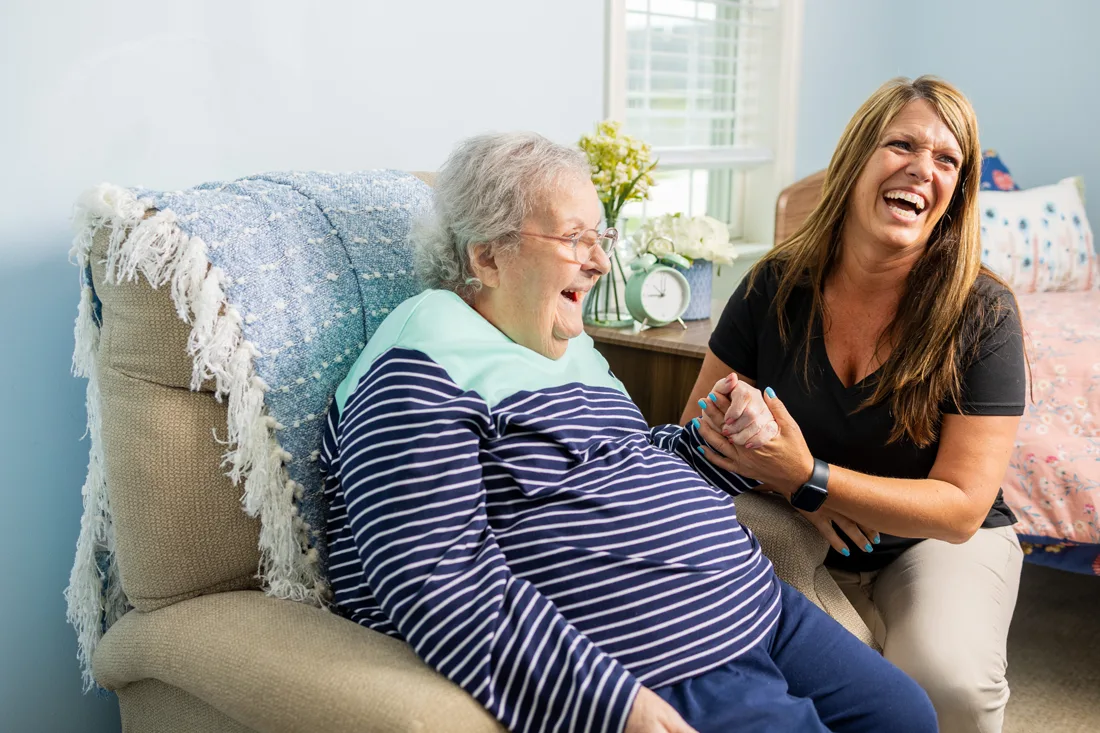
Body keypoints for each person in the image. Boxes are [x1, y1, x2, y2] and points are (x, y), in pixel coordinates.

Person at [319, 131, 937, 733]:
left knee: (906, 715)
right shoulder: (422, 365)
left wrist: (720, 438)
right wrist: (609, 704)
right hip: (665, 652)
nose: (600, 260)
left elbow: (634, 461)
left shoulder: (564, 344)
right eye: (574, 238)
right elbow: (433, 575)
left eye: (601, 235)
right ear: (487, 254)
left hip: (754, 604)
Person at [683, 76, 1026, 733]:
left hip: (934, 539)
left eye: (948, 160)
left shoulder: (984, 312)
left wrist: (813, 479)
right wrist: (791, 490)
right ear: (855, 159)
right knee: (805, 683)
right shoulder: (773, 285)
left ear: (957, 192)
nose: (923, 169)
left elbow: (959, 506)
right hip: (796, 521)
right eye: (902, 144)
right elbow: (695, 432)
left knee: (945, 683)